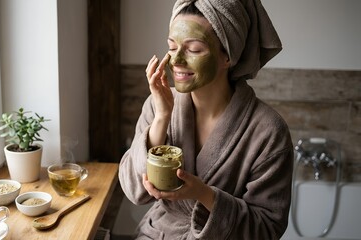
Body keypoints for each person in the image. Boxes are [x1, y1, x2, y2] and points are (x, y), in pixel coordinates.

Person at [118, 0, 293, 239]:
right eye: (171, 46)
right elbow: (135, 191)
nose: (176, 60)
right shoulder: (158, 104)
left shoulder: (268, 131)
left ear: (227, 57)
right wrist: (161, 117)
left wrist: (204, 194)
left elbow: (266, 228)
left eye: (194, 49)